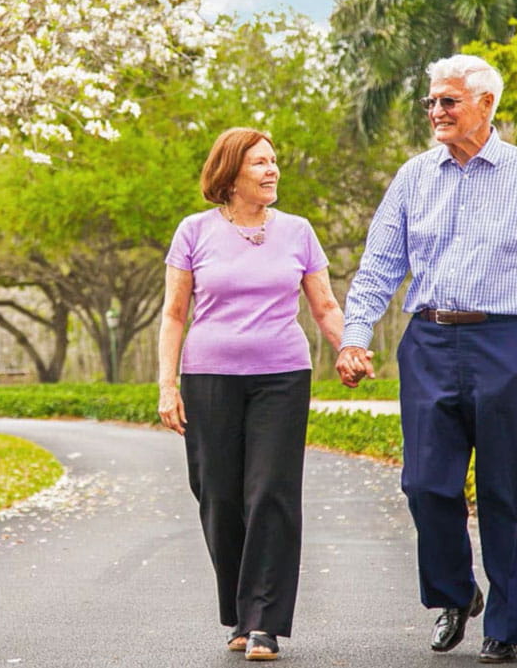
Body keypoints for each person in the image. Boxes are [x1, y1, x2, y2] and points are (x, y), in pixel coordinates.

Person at [335, 54, 517, 664]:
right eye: (432, 103)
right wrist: (353, 335)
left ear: (487, 104)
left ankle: (507, 624)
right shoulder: (414, 176)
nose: (436, 113)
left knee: (507, 490)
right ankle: (454, 592)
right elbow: (379, 268)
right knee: (424, 483)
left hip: (507, 343)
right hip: (430, 341)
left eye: (448, 101)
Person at [157, 127, 346, 662]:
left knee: (271, 493)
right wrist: (167, 385)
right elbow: (174, 314)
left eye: (274, 161)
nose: (272, 170)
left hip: (282, 375)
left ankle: (264, 621)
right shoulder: (193, 232)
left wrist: (348, 347)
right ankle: (240, 614)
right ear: (231, 173)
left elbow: (325, 305)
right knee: (217, 495)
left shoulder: (299, 232)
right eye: (260, 162)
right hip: (208, 377)